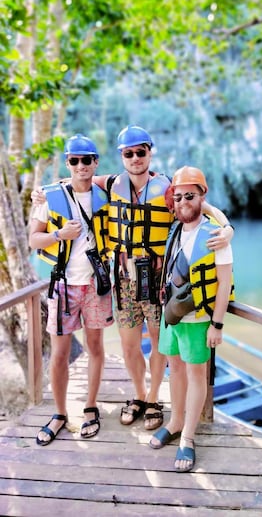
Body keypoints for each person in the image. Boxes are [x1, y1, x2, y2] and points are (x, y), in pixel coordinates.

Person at [88, 125, 234, 431]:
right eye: (129, 153)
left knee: (159, 344)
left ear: (150, 152)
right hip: (124, 277)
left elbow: (201, 207)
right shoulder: (112, 183)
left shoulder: (169, 188)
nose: (136, 158)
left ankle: (155, 398)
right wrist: (42, 194)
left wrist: (227, 226)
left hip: (156, 278)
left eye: (141, 151)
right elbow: (78, 180)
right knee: (129, 346)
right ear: (122, 157)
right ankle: (139, 395)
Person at [29, 134, 113, 445]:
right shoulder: (50, 198)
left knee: (95, 348)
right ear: (68, 163)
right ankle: (60, 413)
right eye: (74, 160)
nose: (81, 165)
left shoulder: (105, 195)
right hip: (63, 284)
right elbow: (33, 240)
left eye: (87, 160)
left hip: (96, 285)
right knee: (60, 354)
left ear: (95, 162)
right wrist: (59, 235)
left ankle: (90, 407)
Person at [149, 166, 234, 472]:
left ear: (202, 197)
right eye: (179, 195)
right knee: (175, 369)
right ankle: (174, 421)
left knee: (197, 375)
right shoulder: (176, 228)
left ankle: (188, 436)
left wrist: (217, 324)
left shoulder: (215, 235)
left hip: (198, 318)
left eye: (191, 195)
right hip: (172, 313)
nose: (184, 201)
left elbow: (224, 283)